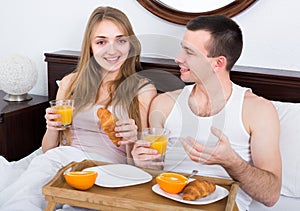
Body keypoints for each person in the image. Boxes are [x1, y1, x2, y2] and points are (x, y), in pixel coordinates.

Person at [0, 6, 156, 210]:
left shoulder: (142, 89)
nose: (112, 50)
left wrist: (131, 140)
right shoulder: (70, 83)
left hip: (109, 171)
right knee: (30, 192)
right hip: (62, 161)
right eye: (101, 42)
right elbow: (49, 150)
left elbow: (140, 163)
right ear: (90, 46)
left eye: (121, 40)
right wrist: (52, 127)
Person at [132, 15, 281, 211]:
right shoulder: (164, 104)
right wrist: (143, 162)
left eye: (189, 52)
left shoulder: (258, 111)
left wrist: (231, 162)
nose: (178, 58)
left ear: (218, 63)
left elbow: (270, 196)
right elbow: (154, 173)